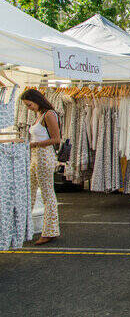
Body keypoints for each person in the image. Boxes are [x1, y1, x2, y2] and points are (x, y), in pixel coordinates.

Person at [20, 89, 61, 245]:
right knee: (30, 190)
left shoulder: (49, 114)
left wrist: (35, 144)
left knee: (47, 194)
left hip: (44, 156)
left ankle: (50, 230)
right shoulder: (39, 115)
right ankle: (26, 227)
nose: (28, 108)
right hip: (37, 156)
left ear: (36, 100)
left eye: (29, 104)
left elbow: (56, 139)